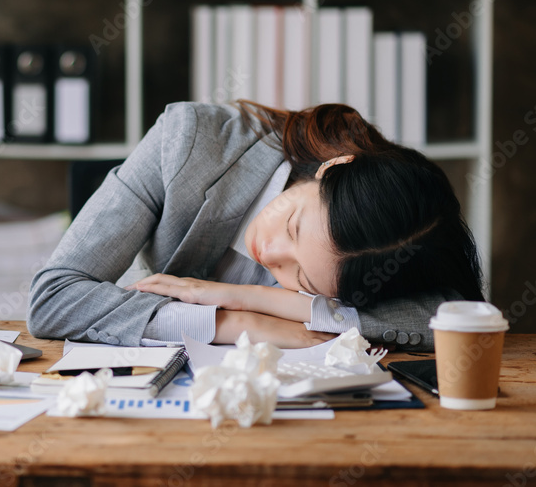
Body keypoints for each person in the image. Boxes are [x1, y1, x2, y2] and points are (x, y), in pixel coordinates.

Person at [27, 100, 485, 350]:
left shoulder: (383, 252)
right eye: (293, 226)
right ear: (332, 167)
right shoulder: (186, 143)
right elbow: (54, 298)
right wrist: (234, 321)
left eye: (300, 279)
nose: (270, 252)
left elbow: (447, 317)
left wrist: (257, 297)